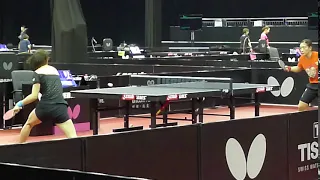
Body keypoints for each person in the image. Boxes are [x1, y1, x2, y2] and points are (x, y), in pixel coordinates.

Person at [13, 50, 77, 143]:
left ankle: (18, 149)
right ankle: (80, 155)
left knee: (28, 124)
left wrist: (19, 104)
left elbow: (34, 96)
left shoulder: (37, 73)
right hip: (60, 107)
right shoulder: (54, 70)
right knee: (73, 136)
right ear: (46, 60)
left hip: (45, 107)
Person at [284, 39, 318, 111]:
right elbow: (299, 68)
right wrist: (289, 68)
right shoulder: (302, 58)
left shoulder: (317, 55)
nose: (301, 50)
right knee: (301, 106)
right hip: (312, 85)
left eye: (304, 47)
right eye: (300, 48)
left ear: (310, 48)